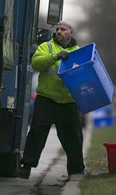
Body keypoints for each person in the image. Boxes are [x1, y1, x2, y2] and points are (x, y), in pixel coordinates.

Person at [16, 20, 85, 180]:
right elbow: (36, 63)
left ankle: (76, 171)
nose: (59, 32)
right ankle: (26, 167)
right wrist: (55, 57)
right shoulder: (46, 47)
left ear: (71, 33)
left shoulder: (78, 52)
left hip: (68, 103)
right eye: (57, 29)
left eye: (63, 29)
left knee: (74, 138)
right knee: (36, 134)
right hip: (46, 101)